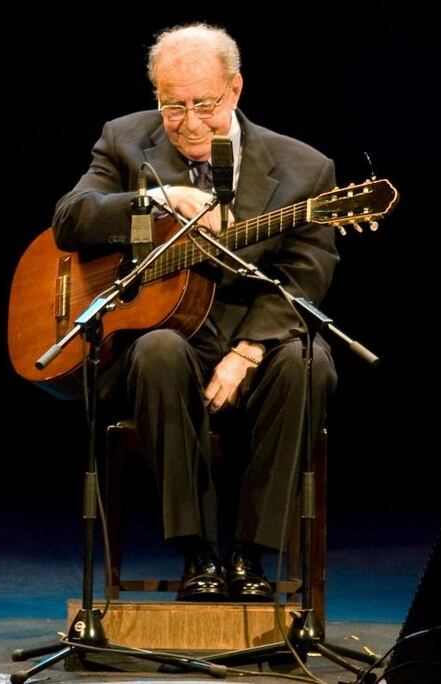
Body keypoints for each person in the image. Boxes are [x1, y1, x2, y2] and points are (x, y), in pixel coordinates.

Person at [52, 23, 339, 602]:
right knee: (159, 352)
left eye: (203, 106)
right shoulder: (125, 140)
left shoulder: (305, 169)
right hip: (160, 338)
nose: (186, 124)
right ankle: (196, 551)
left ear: (234, 91)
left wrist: (248, 350)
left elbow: (305, 275)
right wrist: (156, 198)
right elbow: (71, 218)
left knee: (310, 364)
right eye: (171, 106)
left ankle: (251, 554)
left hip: (255, 334)